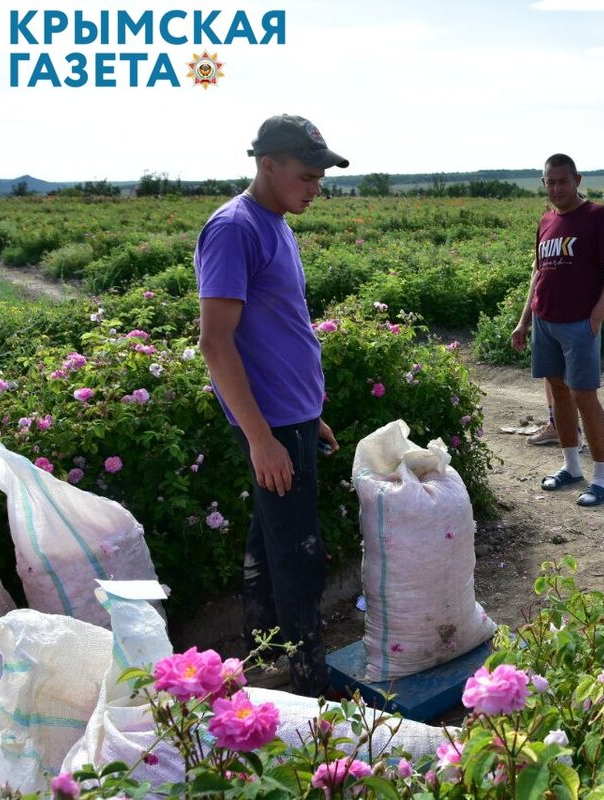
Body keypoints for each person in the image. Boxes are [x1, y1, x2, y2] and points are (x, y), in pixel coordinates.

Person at [195, 114, 349, 696]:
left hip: (293, 417)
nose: (316, 189)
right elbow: (215, 342)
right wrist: (262, 437)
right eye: (307, 176)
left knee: (268, 540)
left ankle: (261, 662)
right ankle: (310, 686)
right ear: (268, 166)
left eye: (320, 178)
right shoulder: (235, 229)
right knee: (299, 555)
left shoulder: (275, 222)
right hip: (273, 424)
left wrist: (310, 413)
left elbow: (278, 328)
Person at [511, 154, 604, 507]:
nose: (557, 188)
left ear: (577, 180)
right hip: (544, 322)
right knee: (558, 393)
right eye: (550, 182)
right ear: (543, 183)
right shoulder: (546, 221)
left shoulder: (597, 217)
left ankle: (603, 478)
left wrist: (596, 318)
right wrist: (524, 321)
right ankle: (571, 466)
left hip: (579, 324)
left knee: (584, 397)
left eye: (563, 181)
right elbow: (538, 273)